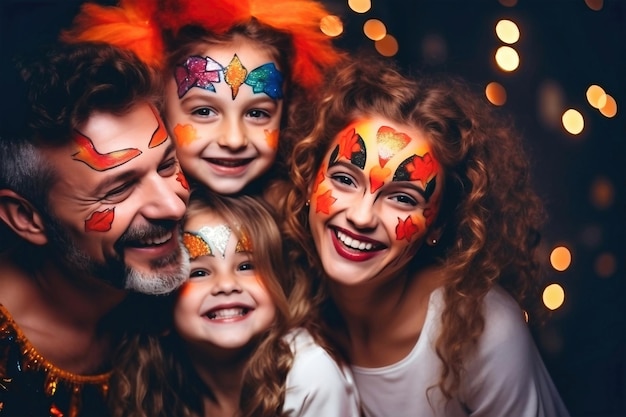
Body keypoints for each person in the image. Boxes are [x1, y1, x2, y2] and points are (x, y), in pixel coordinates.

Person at [279, 55, 571, 416]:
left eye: (402, 198)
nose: (361, 216)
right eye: (344, 179)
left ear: (437, 226)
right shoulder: (277, 293)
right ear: (310, 179)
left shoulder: (482, 328)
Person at [0, 41, 190, 416]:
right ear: (25, 218)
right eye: (119, 189)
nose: (173, 205)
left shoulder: (185, 299)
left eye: (167, 165)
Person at [108, 189, 361, 417]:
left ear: (279, 283)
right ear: (162, 302)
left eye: (246, 266)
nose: (227, 285)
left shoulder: (309, 374)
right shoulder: (157, 389)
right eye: (199, 273)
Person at [61, 0, 344, 199]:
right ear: (159, 108)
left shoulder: (297, 224)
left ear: (286, 115)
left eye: (257, 114)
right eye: (205, 111)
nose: (234, 140)